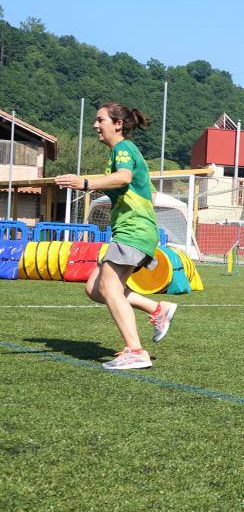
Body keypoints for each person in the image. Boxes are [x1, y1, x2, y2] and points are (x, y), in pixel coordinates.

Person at [55, 103, 176, 370]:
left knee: (109, 288)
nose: (95, 125)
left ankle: (135, 351)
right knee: (95, 288)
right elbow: (142, 189)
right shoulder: (119, 153)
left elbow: (123, 178)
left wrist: (84, 183)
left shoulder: (123, 149)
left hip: (134, 231)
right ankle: (158, 309)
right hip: (131, 229)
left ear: (118, 124)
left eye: (100, 120)